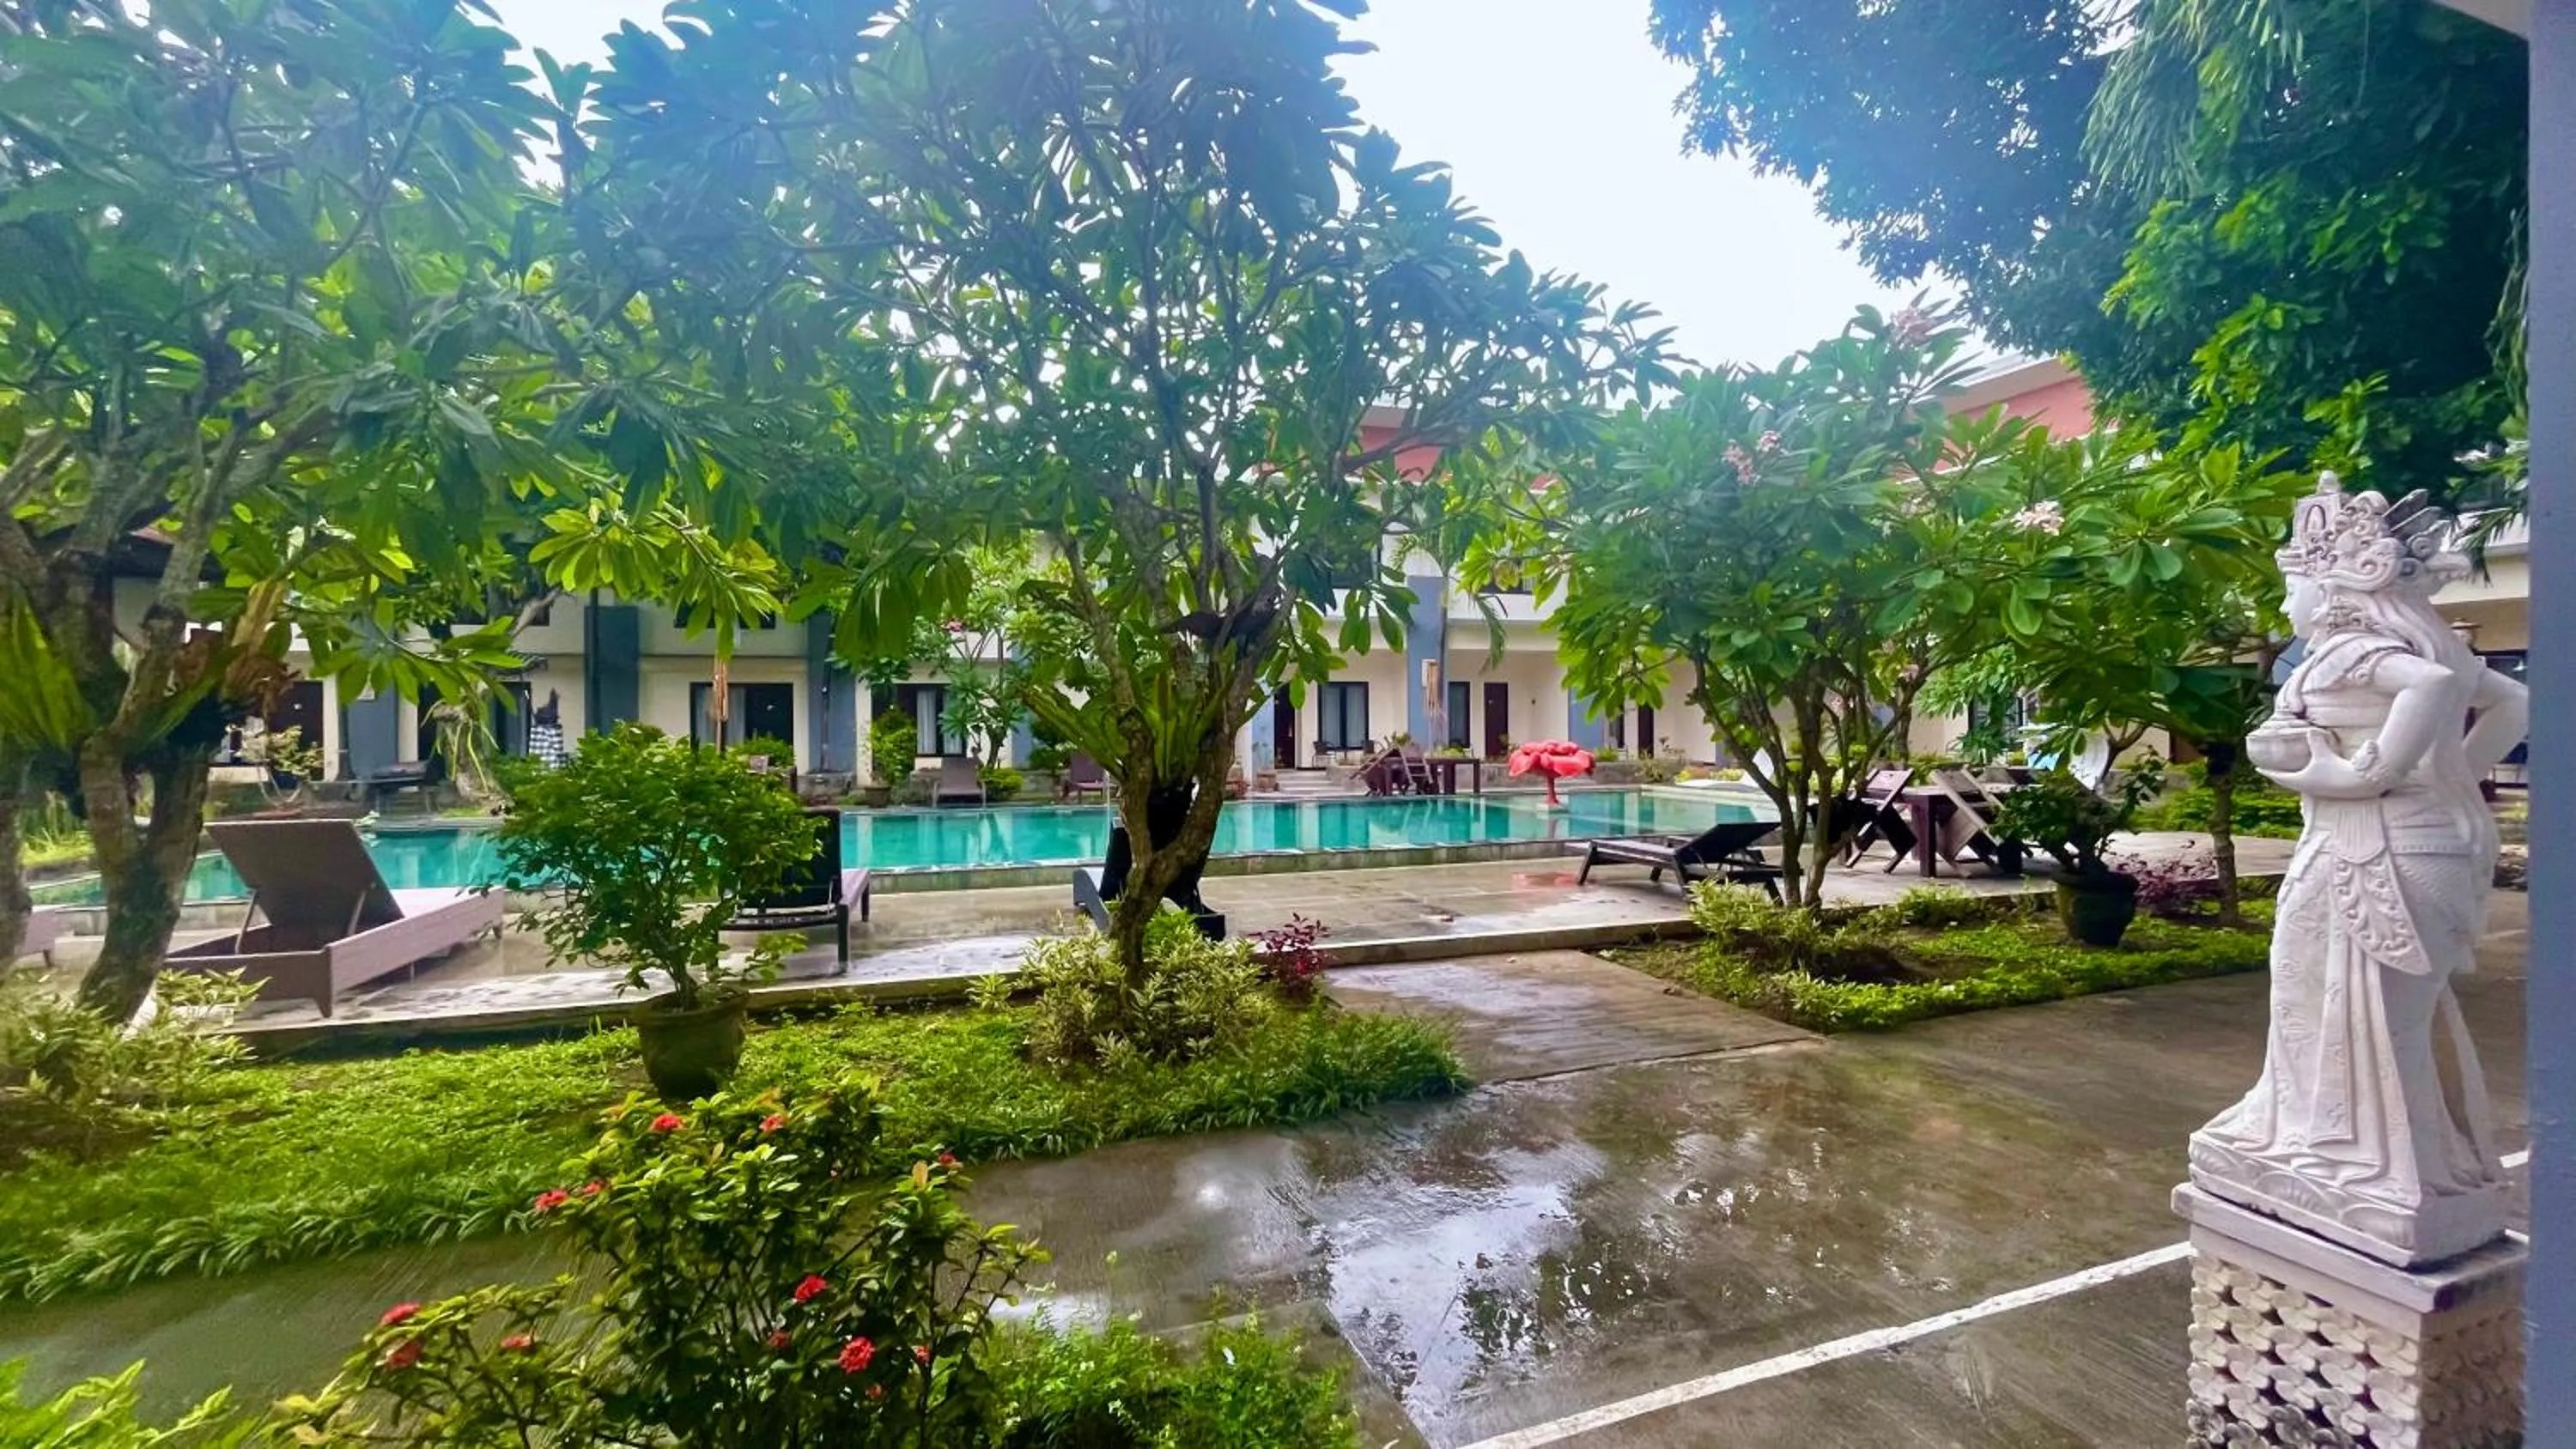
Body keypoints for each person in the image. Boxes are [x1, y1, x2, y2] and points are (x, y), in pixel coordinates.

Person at [2190, 476, 2528, 1266]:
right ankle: (2411, 1167)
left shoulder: (2353, 649)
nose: (2285, 611)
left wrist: (2364, 774)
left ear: (2332, 589)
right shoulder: (2437, 641)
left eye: (2292, 590)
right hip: (2426, 840)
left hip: (2371, 839)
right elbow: (2511, 703)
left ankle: (2385, 1176)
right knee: (2379, 1010)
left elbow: (2433, 691)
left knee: (2345, 999)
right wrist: (2448, 771)